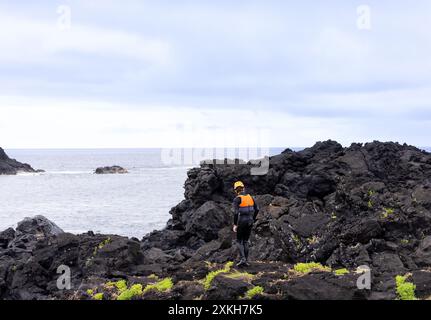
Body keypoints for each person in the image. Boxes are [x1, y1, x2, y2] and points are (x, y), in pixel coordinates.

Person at [232, 181, 259, 267]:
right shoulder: (251, 197)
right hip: (250, 221)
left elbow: (236, 213)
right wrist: (253, 219)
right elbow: (257, 209)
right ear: (243, 188)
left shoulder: (237, 199)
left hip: (242, 221)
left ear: (236, 190)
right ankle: (246, 260)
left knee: (239, 241)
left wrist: (235, 224)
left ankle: (243, 259)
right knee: (246, 241)